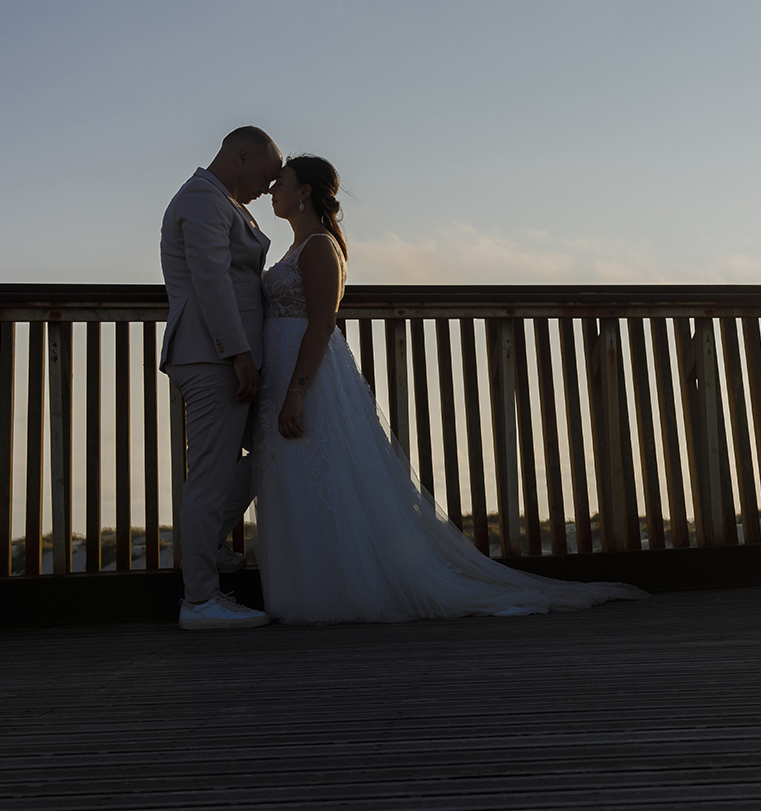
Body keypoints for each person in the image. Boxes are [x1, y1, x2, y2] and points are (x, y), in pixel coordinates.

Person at [254, 155, 646, 623]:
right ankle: (305, 590)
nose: (271, 190)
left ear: (304, 193)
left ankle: (335, 593)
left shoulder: (318, 247)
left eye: (281, 183)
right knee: (298, 481)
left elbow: (321, 325)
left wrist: (296, 391)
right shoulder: (294, 248)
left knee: (319, 475)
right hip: (282, 372)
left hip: (308, 376)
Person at [161, 126, 283, 630]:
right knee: (210, 473)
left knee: (268, 452)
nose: (269, 188)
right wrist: (238, 355)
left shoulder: (224, 202)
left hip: (226, 357)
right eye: (266, 175)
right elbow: (211, 282)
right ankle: (200, 600)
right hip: (213, 358)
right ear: (240, 157)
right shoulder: (202, 200)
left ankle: (204, 548)